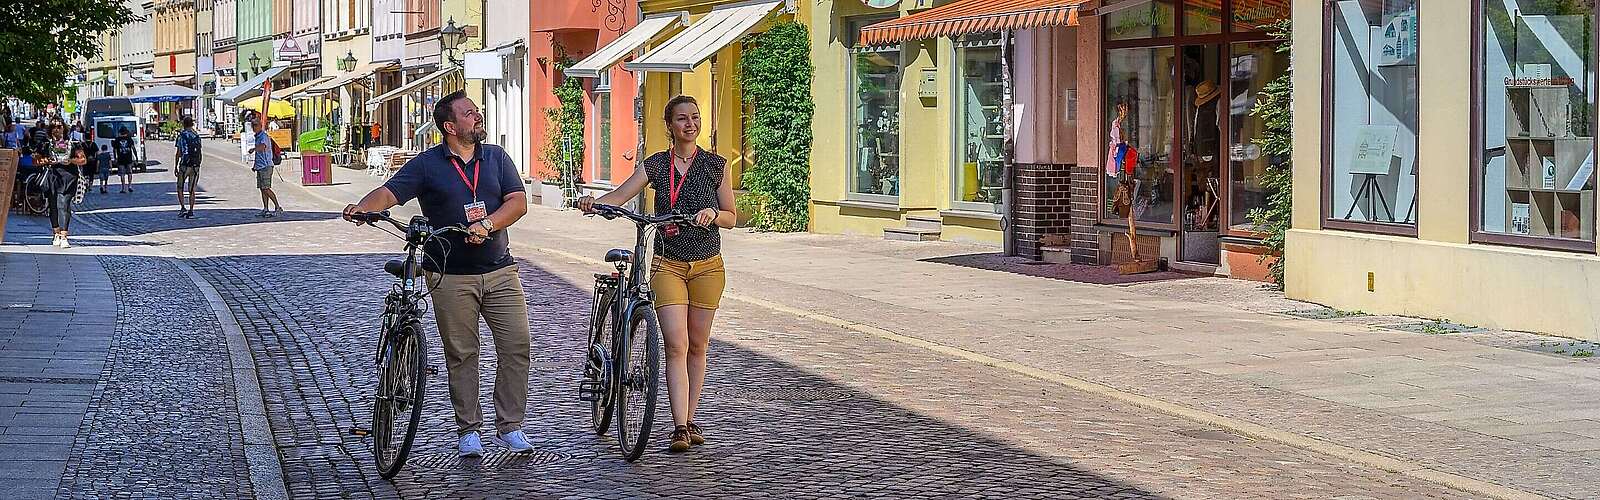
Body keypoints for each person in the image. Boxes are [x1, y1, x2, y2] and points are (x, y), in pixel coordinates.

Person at [343, 90, 533, 458]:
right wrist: (362, 207)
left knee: (517, 346)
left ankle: (510, 426)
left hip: (500, 271)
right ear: (449, 126)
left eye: (476, 111)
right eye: (468, 113)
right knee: (462, 353)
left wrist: (489, 224)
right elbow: (390, 192)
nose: (477, 116)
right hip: (450, 275)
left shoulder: (495, 157)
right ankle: (469, 431)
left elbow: (518, 201)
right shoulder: (428, 164)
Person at [578, 95, 736, 453]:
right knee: (676, 343)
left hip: (708, 265)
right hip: (667, 264)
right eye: (682, 118)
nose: (690, 124)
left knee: (698, 345)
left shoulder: (716, 165)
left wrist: (713, 212)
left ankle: (691, 418)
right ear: (669, 126)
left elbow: (731, 215)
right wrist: (595, 203)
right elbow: (620, 194)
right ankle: (679, 426)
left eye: (695, 117)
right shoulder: (656, 165)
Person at [47, 146, 88, 248]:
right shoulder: (49, 143)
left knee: (64, 205)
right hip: (53, 176)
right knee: (53, 206)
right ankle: (56, 233)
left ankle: (64, 236)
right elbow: (37, 160)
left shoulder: (73, 144)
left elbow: (83, 160)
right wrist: (51, 161)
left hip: (69, 177)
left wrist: (70, 160)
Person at [246, 115, 283, 217]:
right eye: (253, 125)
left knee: (266, 188)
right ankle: (266, 208)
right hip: (260, 166)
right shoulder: (257, 136)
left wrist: (253, 149)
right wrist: (255, 165)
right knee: (262, 189)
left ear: (260, 125)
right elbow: (259, 155)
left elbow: (262, 147)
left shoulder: (263, 136)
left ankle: (278, 207)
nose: (254, 127)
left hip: (266, 166)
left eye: (256, 125)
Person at [174, 116, 203, 218]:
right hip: (195, 165)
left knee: (180, 187)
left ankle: (182, 208)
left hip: (185, 164)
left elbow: (178, 153)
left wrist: (176, 166)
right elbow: (200, 151)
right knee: (192, 189)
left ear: (183, 124)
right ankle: (191, 209)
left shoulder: (181, 136)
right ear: (192, 124)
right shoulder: (196, 136)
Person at [112, 127, 136, 193]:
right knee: (130, 173)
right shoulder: (129, 139)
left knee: (122, 174)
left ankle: (123, 188)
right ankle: (130, 185)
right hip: (128, 158)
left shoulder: (117, 139)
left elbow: (114, 150)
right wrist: (136, 157)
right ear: (126, 132)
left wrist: (115, 158)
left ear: (120, 132)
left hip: (121, 159)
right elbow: (133, 148)